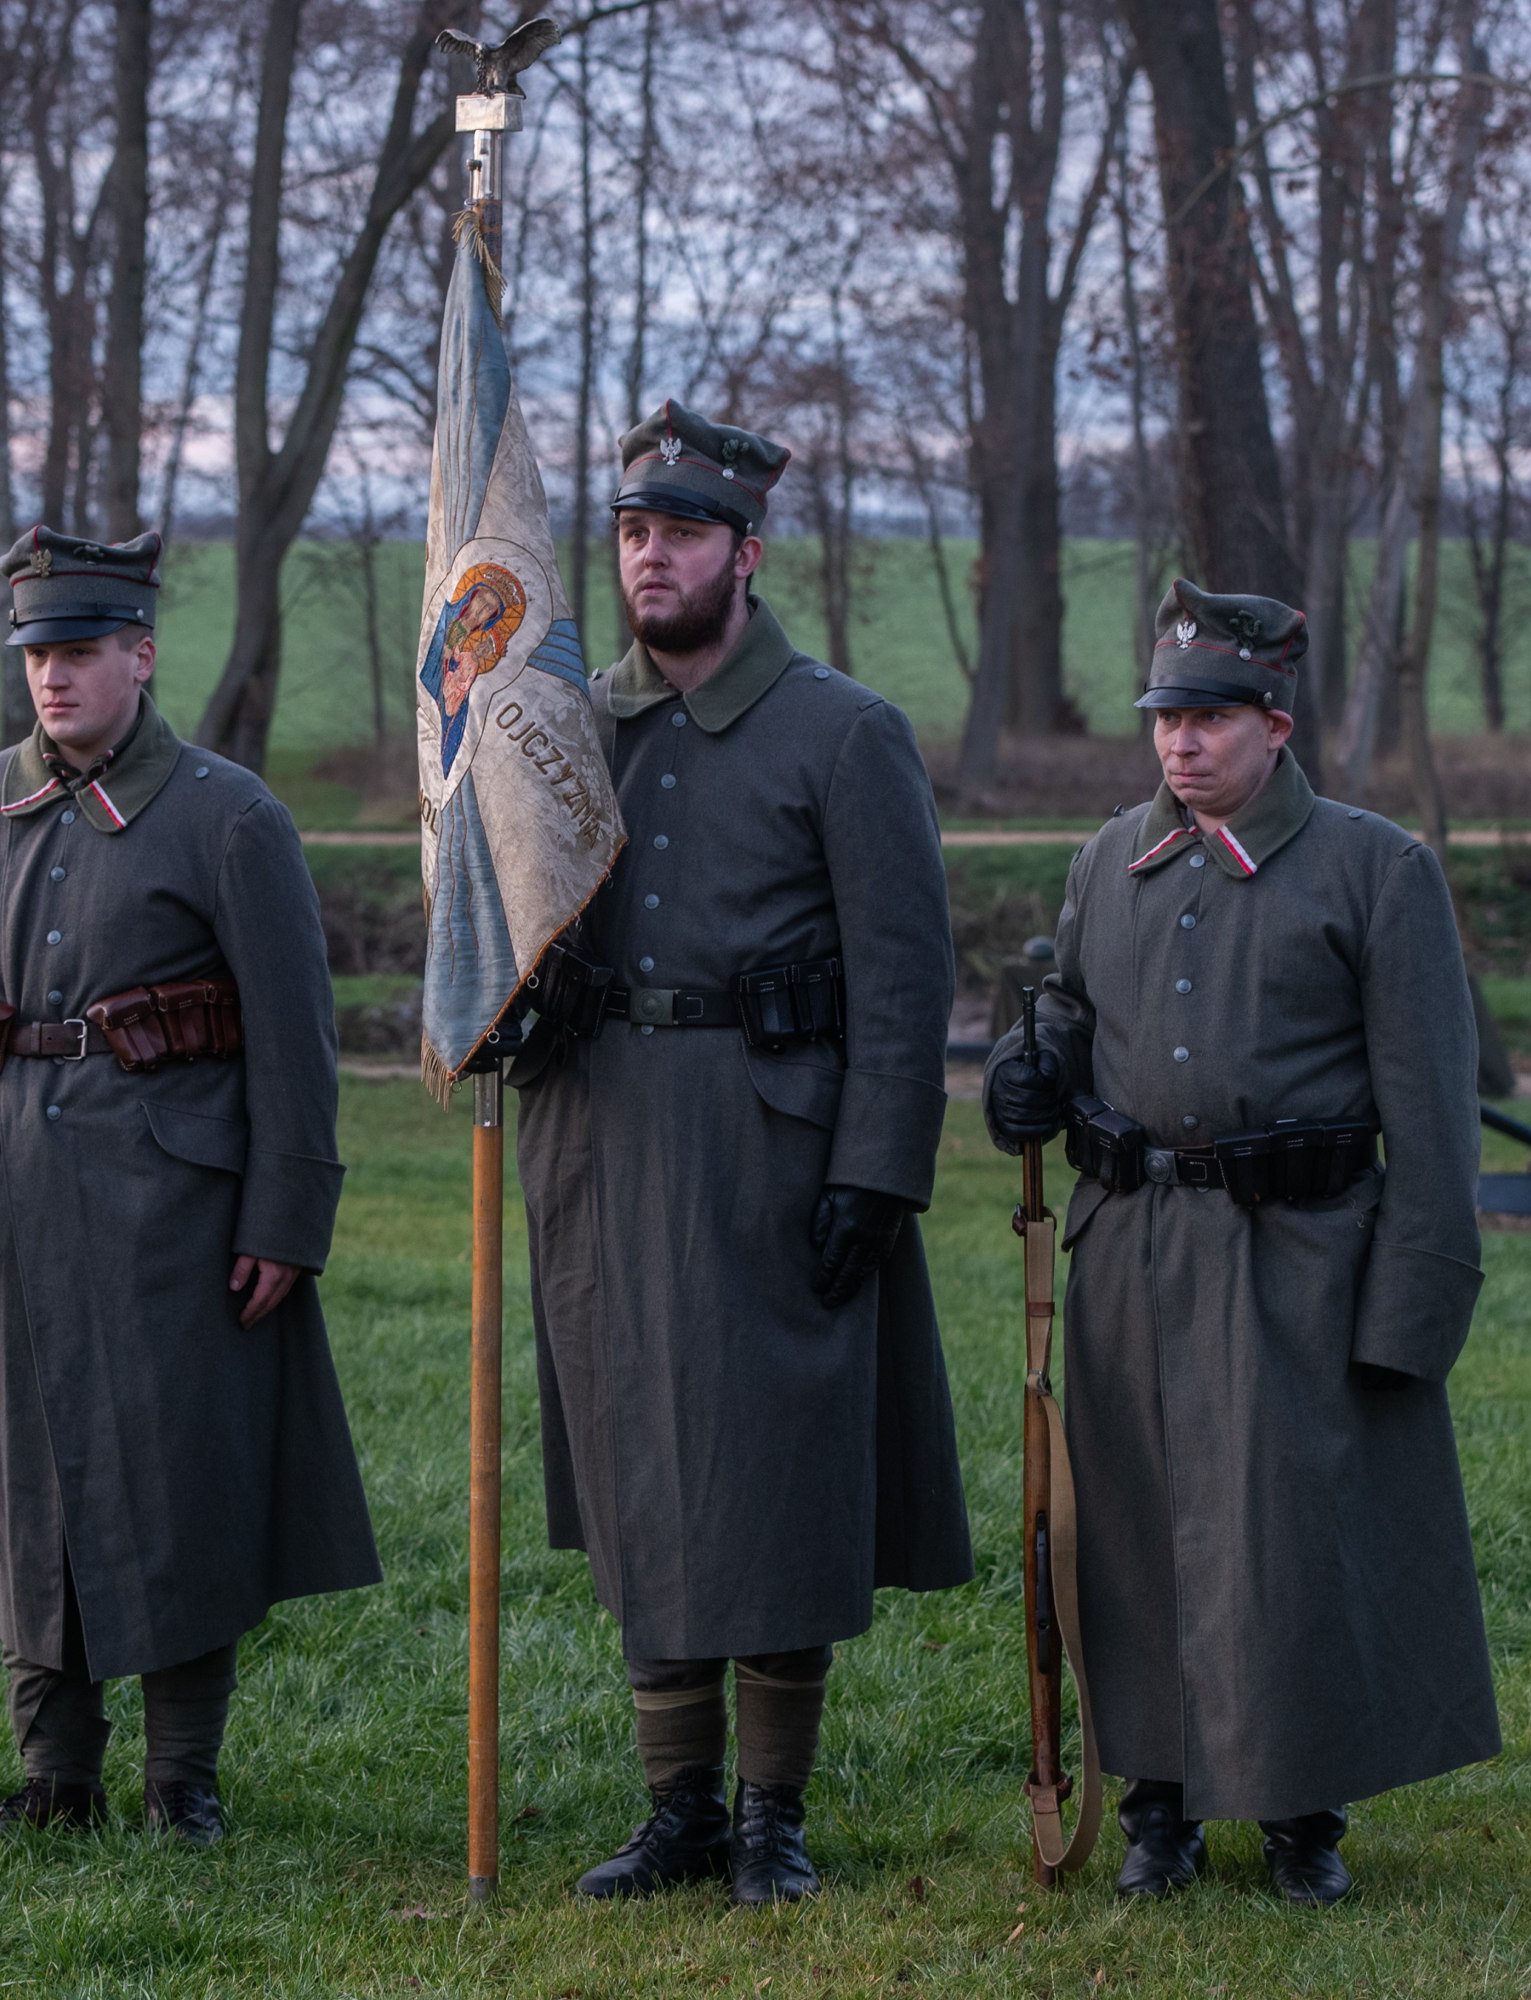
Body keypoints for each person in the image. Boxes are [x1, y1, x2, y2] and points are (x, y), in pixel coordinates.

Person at [0, 526, 380, 1862]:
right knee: (25, 1487)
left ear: (141, 653)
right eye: (35, 657)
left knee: (184, 1482)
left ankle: (182, 1782)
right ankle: (53, 1777)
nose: (52, 680)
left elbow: (297, 1042)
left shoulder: (230, 815)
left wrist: (286, 1221)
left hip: (176, 1211)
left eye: (77, 653)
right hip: (2, 1201)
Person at [508, 403, 971, 1907]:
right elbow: (506, 909)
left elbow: (907, 979)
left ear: (748, 556)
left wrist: (878, 1169)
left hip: (774, 1152)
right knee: (639, 1461)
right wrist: (513, 995)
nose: (653, 558)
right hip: (599, 1138)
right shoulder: (570, 725)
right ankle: (679, 1811)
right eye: (636, 532)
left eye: (685, 534)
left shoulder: (845, 733)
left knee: (769, 1475)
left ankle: (773, 1814)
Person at [981, 578, 1498, 1906]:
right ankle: (1157, 1808)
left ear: (1275, 722)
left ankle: (1299, 1813)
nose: (1181, 743)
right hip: (1131, 1254)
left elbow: (1436, 1128)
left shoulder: (1377, 873)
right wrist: (1023, 1080)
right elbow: (1068, 1020)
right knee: (1134, 1535)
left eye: (1211, 717)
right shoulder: (1110, 860)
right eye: (1166, 717)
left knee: (1287, 1543)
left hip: (1300, 1259)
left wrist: (1411, 1317)